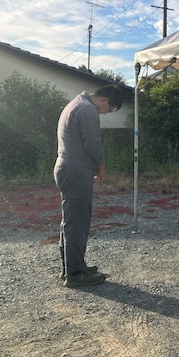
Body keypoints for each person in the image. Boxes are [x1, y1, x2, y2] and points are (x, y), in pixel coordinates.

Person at [54, 84, 123, 288]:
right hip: (76, 170)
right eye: (108, 110)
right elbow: (92, 141)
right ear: (105, 100)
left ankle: (72, 266)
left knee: (71, 219)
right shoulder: (87, 109)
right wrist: (100, 164)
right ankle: (75, 273)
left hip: (67, 166)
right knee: (77, 221)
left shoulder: (75, 103)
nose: (104, 113)